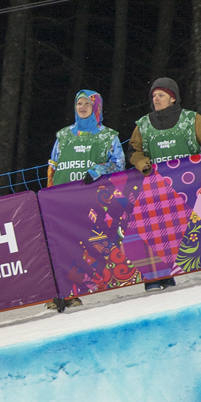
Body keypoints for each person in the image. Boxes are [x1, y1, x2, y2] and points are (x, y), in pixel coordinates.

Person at [128, 77, 201, 291]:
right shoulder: (143, 124)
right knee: (158, 232)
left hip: (190, 188)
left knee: (190, 230)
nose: (156, 98)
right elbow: (133, 150)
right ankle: (157, 277)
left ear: (172, 98)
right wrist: (140, 161)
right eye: (154, 95)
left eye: (161, 95)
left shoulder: (190, 119)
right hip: (158, 189)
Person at [45, 91, 126, 309]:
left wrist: (98, 170)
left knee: (86, 246)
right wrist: (50, 192)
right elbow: (52, 166)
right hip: (63, 200)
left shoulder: (108, 136)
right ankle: (63, 294)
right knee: (61, 246)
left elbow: (118, 163)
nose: (82, 107)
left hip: (93, 200)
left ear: (96, 107)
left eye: (87, 104)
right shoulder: (64, 135)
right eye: (78, 103)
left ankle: (80, 288)